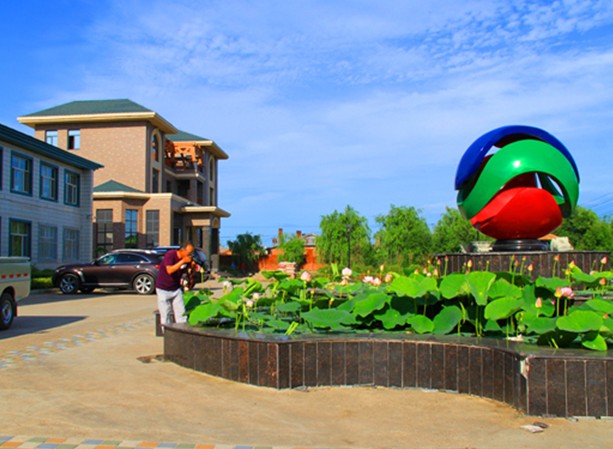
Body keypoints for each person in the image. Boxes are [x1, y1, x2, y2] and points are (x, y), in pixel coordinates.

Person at [156, 241, 194, 327]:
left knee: (181, 313)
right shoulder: (170, 255)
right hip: (163, 288)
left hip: (176, 288)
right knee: (166, 314)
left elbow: (188, 274)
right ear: (182, 250)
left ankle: (182, 330)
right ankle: (166, 332)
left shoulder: (187, 260)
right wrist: (183, 261)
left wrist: (191, 267)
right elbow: (169, 270)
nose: (190, 255)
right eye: (189, 253)